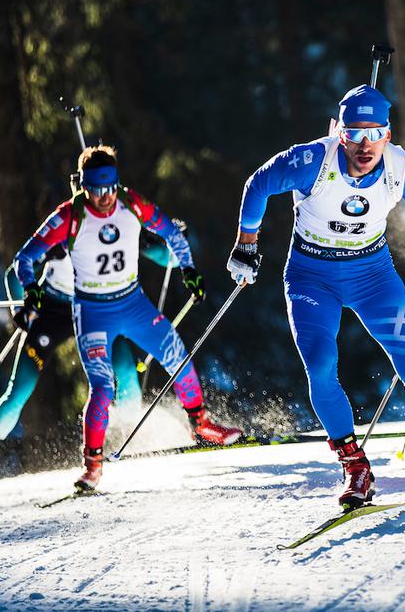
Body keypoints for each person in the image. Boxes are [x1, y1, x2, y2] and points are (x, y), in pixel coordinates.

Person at [226, 84, 405, 508]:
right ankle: (355, 467)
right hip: (312, 278)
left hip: (373, 277)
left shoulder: (402, 167)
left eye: (375, 133)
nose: (365, 144)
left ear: (388, 133)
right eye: (354, 133)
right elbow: (259, 183)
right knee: (320, 365)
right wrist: (246, 243)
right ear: (339, 132)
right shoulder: (313, 159)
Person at [13, 145, 242, 490]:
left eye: (110, 188)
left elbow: (173, 234)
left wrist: (189, 270)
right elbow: (24, 259)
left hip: (133, 303)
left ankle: (202, 425)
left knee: (177, 356)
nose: (104, 198)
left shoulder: (132, 203)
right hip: (91, 311)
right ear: (84, 186)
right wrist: (31, 292)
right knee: (103, 387)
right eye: (95, 190)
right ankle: (92, 465)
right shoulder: (69, 216)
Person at [0, 205, 187, 489]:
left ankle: (126, 439)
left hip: (93, 310)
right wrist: (20, 311)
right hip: (52, 311)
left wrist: (175, 239)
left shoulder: (119, 228)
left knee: (126, 371)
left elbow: (167, 259)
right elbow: (13, 273)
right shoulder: (63, 234)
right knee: (19, 390)